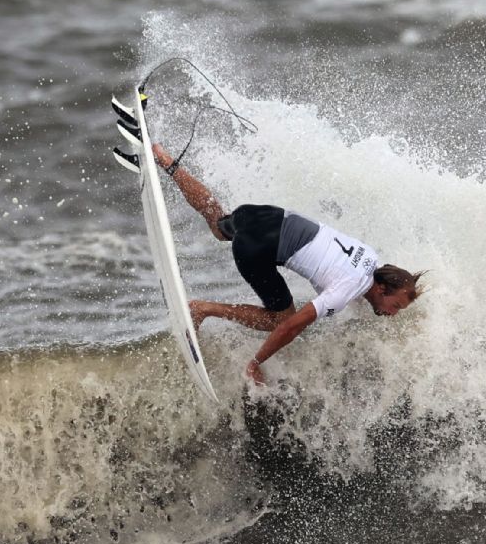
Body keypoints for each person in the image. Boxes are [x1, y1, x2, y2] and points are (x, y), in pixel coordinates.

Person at [151, 143, 424, 385]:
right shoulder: (346, 290)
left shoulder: (369, 256)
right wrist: (256, 362)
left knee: (218, 223)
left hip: (266, 216)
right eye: (396, 306)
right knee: (280, 318)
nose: (394, 313)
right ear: (382, 289)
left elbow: (346, 275)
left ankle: (165, 160)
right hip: (257, 249)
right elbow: (291, 327)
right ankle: (203, 309)